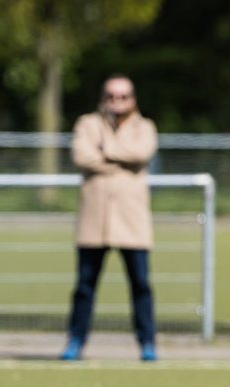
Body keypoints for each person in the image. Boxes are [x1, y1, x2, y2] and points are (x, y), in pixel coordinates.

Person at [60, 75, 159, 362]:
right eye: (111, 96)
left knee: (140, 284)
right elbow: (81, 156)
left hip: (132, 221)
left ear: (133, 99)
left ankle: (147, 342)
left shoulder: (145, 127)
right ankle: (76, 340)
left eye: (123, 97)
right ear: (102, 97)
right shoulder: (87, 124)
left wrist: (106, 151)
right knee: (84, 286)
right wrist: (122, 161)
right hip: (95, 220)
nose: (117, 102)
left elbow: (142, 153)